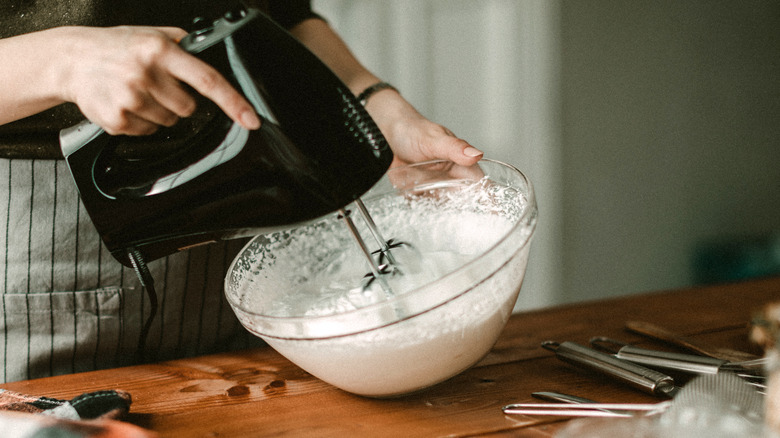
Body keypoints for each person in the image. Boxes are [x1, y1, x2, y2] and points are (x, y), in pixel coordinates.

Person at [0, 0, 481, 382]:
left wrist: (371, 100)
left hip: (252, 205)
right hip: (53, 241)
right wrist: (63, 62)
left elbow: (283, 13)